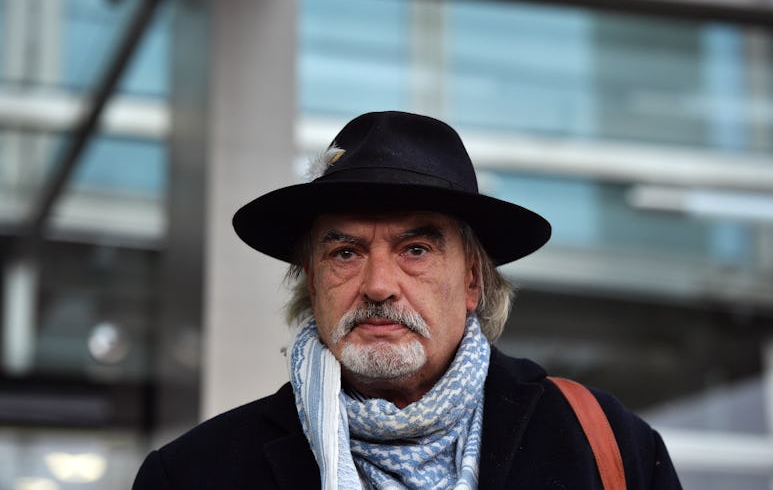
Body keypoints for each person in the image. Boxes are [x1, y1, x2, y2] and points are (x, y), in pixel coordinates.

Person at [133, 111, 681, 489]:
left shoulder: (604, 440)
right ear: (312, 279)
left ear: (472, 281)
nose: (378, 285)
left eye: (415, 249)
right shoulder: (194, 476)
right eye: (345, 253)